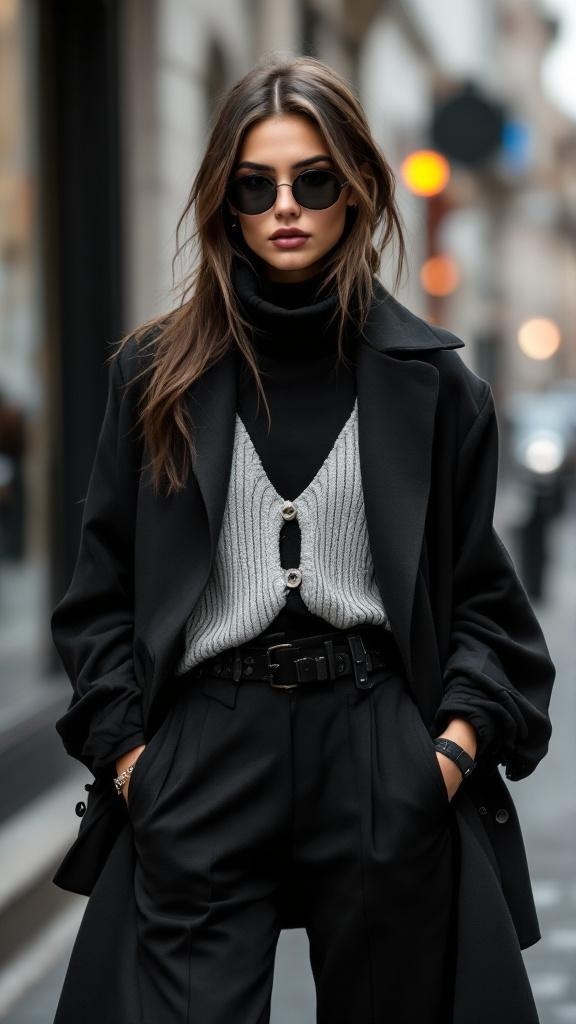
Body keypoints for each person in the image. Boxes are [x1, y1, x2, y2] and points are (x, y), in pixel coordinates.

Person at [50, 54, 555, 1024]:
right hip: (205, 745)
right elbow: (98, 597)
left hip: (375, 744)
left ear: (357, 187)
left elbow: (488, 609)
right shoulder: (155, 379)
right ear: (225, 202)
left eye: (313, 179)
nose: (286, 205)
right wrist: (134, 763)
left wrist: (441, 756)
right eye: (256, 184)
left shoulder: (437, 386)